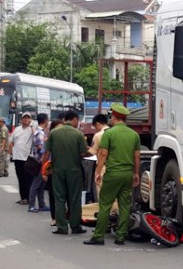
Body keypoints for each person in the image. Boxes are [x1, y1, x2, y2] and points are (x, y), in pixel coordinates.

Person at [84, 103, 140, 246]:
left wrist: (97, 172)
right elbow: (137, 157)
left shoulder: (109, 134)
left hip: (113, 174)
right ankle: (120, 236)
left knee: (105, 205)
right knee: (124, 206)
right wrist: (136, 174)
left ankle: (99, 236)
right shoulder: (134, 135)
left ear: (114, 117)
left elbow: (102, 154)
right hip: (127, 174)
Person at [43, 111, 88, 235]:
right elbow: (83, 153)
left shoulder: (53, 133)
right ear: (74, 120)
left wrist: (44, 170)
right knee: (74, 199)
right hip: (74, 171)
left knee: (59, 198)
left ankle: (62, 227)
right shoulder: (78, 134)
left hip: (57, 171)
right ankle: (75, 226)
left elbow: (46, 153)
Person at [9, 112, 35, 205]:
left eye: (28, 118)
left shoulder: (31, 130)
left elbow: (35, 138)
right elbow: (11, 141)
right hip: (17, 157)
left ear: (30, 120)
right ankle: (23, 197)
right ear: (21, 119)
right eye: (24, 118)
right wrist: (11, 152)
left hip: (27, 158)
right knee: (20, 178)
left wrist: (31, 126)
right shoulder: (17, 129)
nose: (26, 120)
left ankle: (28, 198)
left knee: (27, 179)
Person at [43, 119, 64, 226]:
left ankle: (64, 216)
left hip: (64, 170)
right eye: (57, 128)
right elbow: (46, 155)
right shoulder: (49, 139)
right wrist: (44, 172)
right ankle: (54, 218)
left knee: (64, 195)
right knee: (52, 195)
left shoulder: (66, 138)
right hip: (52, 170)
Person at [28, 113, 49, 213]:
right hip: (40, 162)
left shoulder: (41, 132)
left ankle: (42, 205)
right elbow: (41, 148)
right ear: (45, 121)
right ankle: (31, 205)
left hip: (41, 162)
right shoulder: (40, 133)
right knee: (36, 184)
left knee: (41, 185)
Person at [87, 113, 109, 200]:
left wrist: (85, 149)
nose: (95, 129)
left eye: (95, 127)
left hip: (102, 168)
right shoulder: (114, 133)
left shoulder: (98, 135)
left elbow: (92, 152)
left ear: (97, 123)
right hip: (115, 167)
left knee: (102, 196)